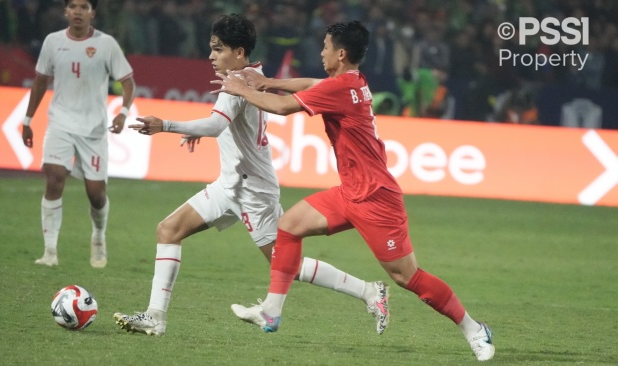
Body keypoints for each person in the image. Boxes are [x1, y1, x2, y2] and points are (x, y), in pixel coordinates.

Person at [212, 21, 495, 361]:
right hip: (350, 193)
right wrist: (268, 82)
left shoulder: (341, 87)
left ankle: (474, 329)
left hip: (377, 200)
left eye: (326, 46)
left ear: (341, 54)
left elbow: (284, 108)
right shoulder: (352, 81)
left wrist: (241, 89)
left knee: (407, 277)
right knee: (288, 227)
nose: (321, 52)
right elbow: (311, 84)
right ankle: (271, 310)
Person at [112, 14, 389, 337]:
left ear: (239, 51)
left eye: (218, 49)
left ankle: (369, 291)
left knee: (287, 265)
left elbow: (217, 124)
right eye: (211, 49)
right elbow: (222, 124)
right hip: (230, 184)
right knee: (169, 229)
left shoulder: (239, 82)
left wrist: (166, 126)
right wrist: (197, 131)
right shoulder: (251, 75)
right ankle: (155, 316)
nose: (211, 56)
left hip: (253, 190)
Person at [22, 0, 135, 268]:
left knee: (96, 194)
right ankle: (50, 252)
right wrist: (27, 119)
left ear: (92, 13)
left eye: (84, 7)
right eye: (72, 6)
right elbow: (40, 82)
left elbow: (128, 82)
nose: (77, 12)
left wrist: (123, 112)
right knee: (54, 177)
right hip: (60, 123)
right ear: (65, 11)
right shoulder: (52, 42)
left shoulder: (106, 44)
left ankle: (98, 236)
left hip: (93, 129)